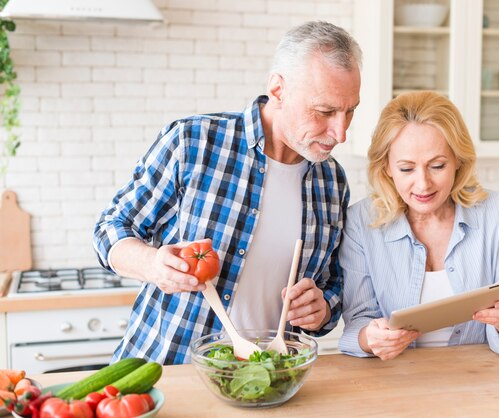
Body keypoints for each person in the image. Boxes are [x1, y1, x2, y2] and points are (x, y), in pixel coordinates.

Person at [93, 21, 362, 364]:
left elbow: (331, 284)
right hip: (166, 370)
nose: (340, 133)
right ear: (278, 90)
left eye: (349, 110)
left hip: (263, 378)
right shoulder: (195, 142)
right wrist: (153, 264)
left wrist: (322, 309)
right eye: (325, 112)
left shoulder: (331, 181)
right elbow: (110, 228)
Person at [338, 91, 499, 361]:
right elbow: (358, 321)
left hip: (484, 379)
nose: (423, 184)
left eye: (437, 165)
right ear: (386, 166)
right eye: (406, 169)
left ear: (458, 160)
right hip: (394, 382)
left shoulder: (497, 213)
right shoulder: (361, 223)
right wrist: (370, 337)